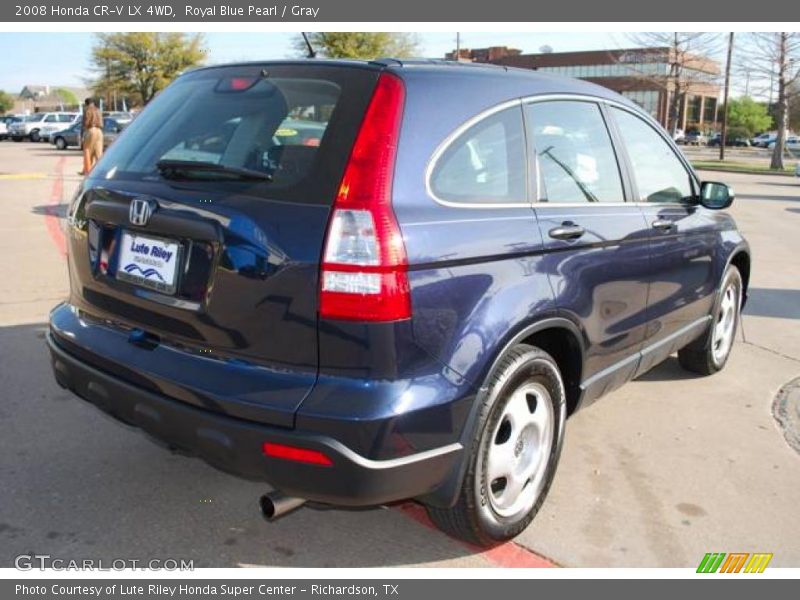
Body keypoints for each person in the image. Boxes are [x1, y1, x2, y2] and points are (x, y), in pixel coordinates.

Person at [80, 98, 103, 176]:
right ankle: (100, 171)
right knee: (98, 153)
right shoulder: (98, 110)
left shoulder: (87, 110)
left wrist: (82, 134)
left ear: (86, 104)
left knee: (88, 151)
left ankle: (87, 171)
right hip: (99, 131)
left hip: (90, 130)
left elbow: (85, 123)